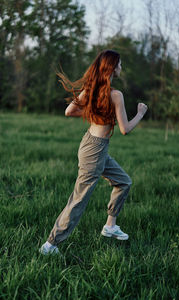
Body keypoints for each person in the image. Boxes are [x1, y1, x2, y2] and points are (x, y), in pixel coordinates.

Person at [39, 49, 148, 255]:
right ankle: (50, 245)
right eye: (120, 64)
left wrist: (94, 114)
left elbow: (69, 111)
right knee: (79, 199)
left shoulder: (91, 89)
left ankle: (110, 225)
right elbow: (125, 129)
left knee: (123, 182)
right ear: (112, 67)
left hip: (93, 145)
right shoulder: (116, 95)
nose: (121, 67)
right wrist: (140, 113)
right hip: (94, 150)